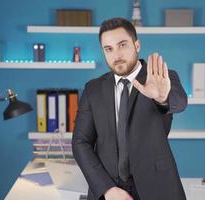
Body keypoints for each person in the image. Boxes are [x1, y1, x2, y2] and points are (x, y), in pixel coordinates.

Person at [72, 17, 187, 200]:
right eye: (108, 49)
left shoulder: (159, 78)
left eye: (122, 45)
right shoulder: (92, 89)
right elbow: (80, 142)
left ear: (137, 45)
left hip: (157, 188)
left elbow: (179, 102)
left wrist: (161, 97)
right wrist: (107, 189)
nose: (116, 55)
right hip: (108, 191)